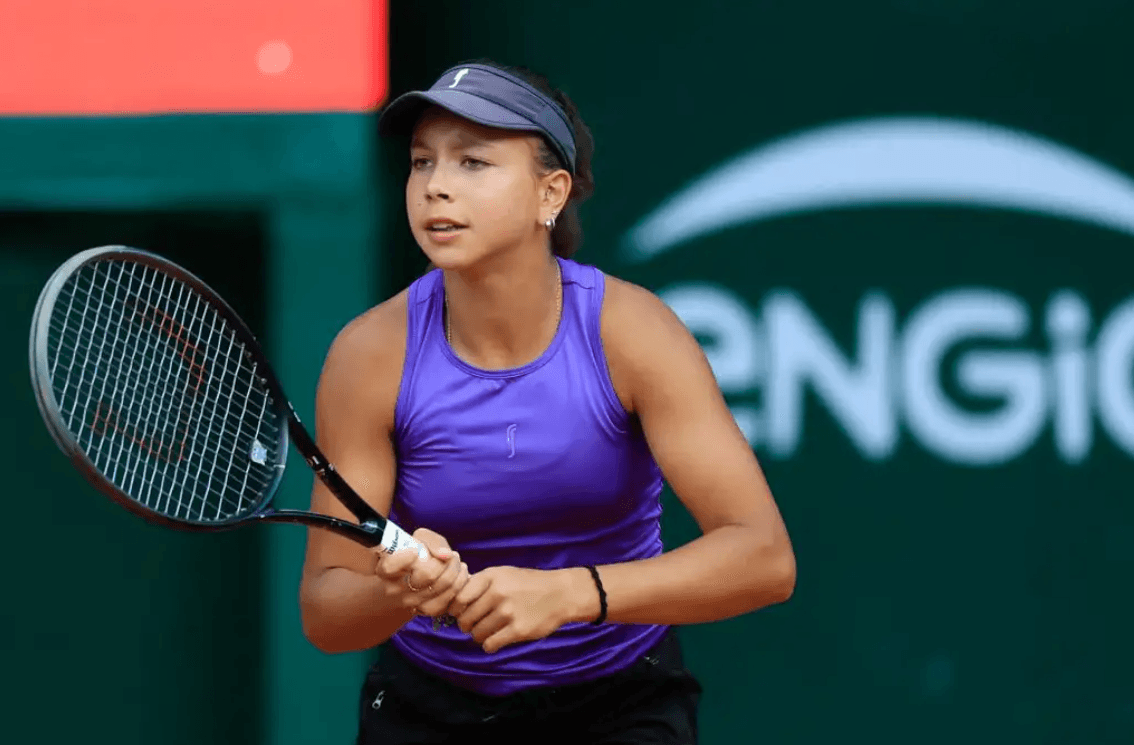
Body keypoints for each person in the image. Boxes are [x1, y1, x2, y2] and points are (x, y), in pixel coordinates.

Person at [297, 59, 796, 744]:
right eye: (421, 163)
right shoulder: (368, 355)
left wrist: (570, 594)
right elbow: (326, 609)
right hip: (431, 708)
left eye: (473, 162)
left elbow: (763, 557)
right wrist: (402, 589)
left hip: (618, 701)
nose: (436, 187)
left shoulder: (633, 332)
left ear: (549, 194)